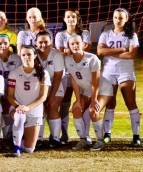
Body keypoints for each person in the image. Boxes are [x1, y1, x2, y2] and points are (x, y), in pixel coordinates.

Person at [97, 8, 141, 146]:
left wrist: (109, 52)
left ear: (126, 19)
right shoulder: (105, 34)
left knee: (130, 103)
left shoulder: (131, 35)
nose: (118, 20)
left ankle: (136, 136)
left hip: (125, 72)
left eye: (121, 18)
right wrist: (121, 49)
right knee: (110, 103)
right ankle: (107, 134)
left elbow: (130, 55)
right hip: (108, 72)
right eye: (115, 17)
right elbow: (99, 51)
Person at [65, 34, 113, 151]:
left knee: (93, 110)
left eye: (77, 43)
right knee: (76, 109)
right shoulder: (67, 60)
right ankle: (83, 140)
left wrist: (93, 99)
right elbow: (74, 81)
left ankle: (100, 141)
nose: (75, 46)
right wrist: (77, 99)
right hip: (87, 90)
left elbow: (95, 82)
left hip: (103, 89)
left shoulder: (92, 58)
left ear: (84, 44)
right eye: (72, 44)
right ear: (69, 46)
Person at [55, 9, 92, 144]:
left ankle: (85, 135)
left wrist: (68, 51)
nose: (71, 19)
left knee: (83, 103)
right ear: (64, 19)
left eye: (73, 17)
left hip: (83, 74)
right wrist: (72, 50)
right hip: (66, 73)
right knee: (65, 104)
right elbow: (59, 53)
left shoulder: (85, 33)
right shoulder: (60, 35)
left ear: (77, 19)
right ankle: (64, 134)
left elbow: (86, 48)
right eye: (68, 17)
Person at [7, 45, 50, 157]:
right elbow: (10, 96)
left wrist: (28, 108)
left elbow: (43, 96)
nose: (26, 57)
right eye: (23, 55)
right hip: (17, 108)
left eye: (29, 54)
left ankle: (19, 140)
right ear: (20, 56)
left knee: (29, 149)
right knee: (20, 115)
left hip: (34, 111)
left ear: (35, 55)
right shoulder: (14, 73)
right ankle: (16, 147)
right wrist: (18, 107)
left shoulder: (43, 73)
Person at [35, 31, 65, 148]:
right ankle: (38, 139)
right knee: (38, 108)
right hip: (38, 87)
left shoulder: (57, 55)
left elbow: (58, 78)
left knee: (52, 107)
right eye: (40, 42)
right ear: (36, 43)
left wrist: (51, 97)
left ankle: (55, 138)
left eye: (46, 42)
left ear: (51, 43)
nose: (43, 45)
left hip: (54, 85)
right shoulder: (32, 54)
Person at [0, 34, 22, 150]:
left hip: (12, 91)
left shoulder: (16, 58)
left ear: (9, 44)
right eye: (0, 43)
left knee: (9, 114)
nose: (3, 46)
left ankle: (8, 138)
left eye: (5, 43)